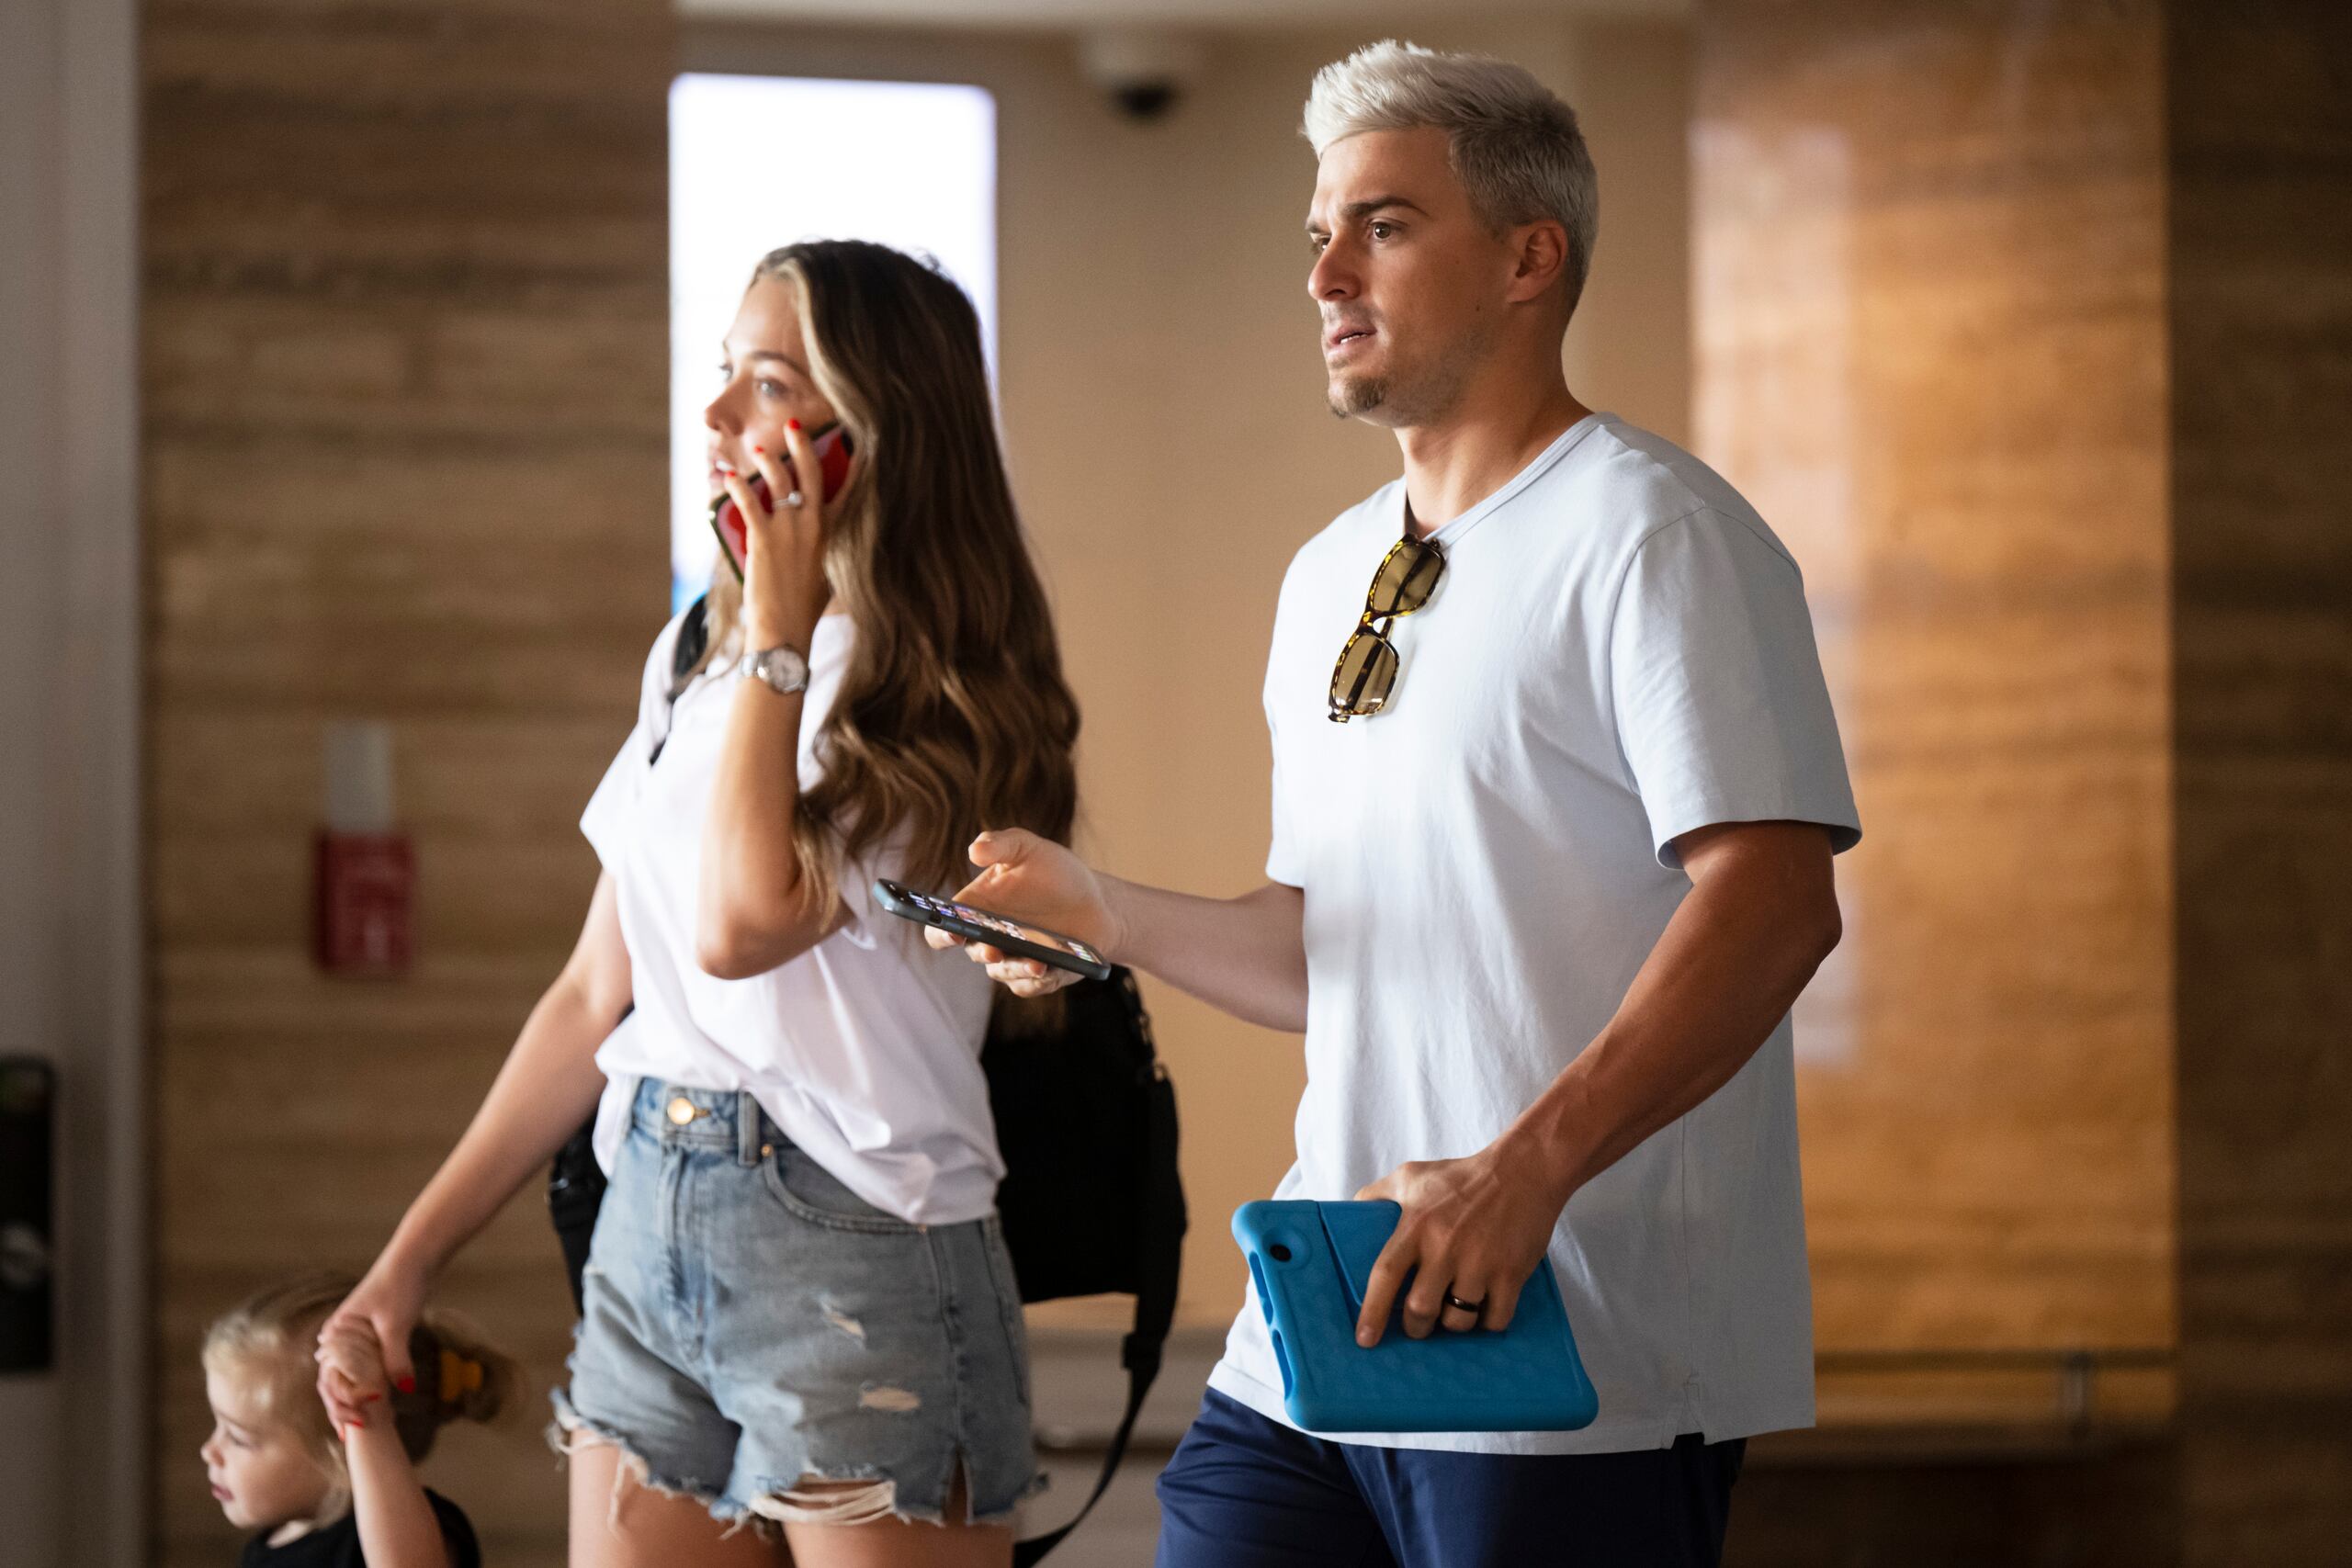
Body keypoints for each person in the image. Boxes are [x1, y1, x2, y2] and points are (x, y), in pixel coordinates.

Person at [935, 40, 1861, 1568]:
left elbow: (1775, 904)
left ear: (1525, 257)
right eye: (1318, 232)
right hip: (1327, 1330)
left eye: (1382, 223)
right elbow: (1327, 955)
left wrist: (1524, 1171)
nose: (1325, 273)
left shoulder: (1657, 537)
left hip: (1586, 1355)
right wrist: (1101, 911)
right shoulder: (1328, 577)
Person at [322, 239, 1081, 1566]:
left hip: (863, 1249)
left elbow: (738, 926)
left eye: (768, 381)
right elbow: (589, 994)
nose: (719, 414)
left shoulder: (931, 699)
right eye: (722, 371)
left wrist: (783, 628)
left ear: (866, 433)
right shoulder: (698, 655)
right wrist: (409, 1258)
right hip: (651, 1218)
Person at [201, 1272, 512, 1568]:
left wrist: (369, 1417)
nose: (209, 1451)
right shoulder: (267, 1547)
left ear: (340, 1455)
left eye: (239, 1438)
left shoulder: (404, 1537)